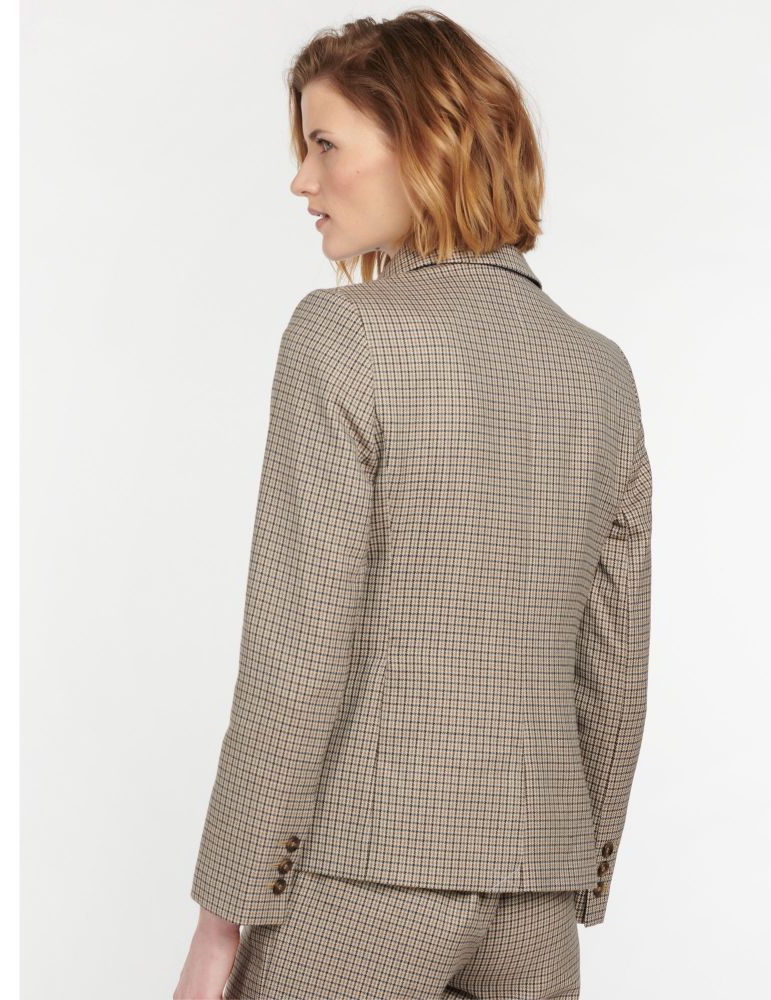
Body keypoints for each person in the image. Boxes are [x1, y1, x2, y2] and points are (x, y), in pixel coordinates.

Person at [174, 9, 652, 1000]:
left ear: (425, 145)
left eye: (324, 144)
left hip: (363, 883)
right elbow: (613, 666)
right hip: (537, 894)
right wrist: (582, 862)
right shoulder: (599, 372)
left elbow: (295, 653)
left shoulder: (341, 335)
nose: (302, 181)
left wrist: (222, 922)